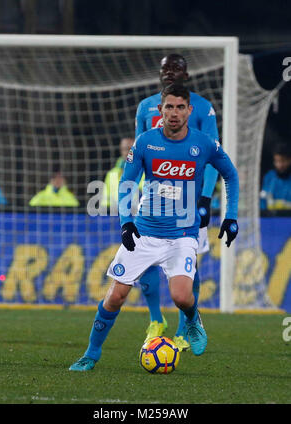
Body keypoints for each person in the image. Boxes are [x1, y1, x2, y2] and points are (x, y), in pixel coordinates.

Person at [69, 84, 239, 371]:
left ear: (189, 110)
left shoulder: (204, 144)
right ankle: (91, 354)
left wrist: (230, 216)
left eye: (180, 107)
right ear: (160, 110)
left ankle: (192, 318)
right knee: (114, 297)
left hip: (182, 234)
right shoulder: (146, 142)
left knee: (182, 296)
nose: (174, 113)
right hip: (145, 233)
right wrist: (126, 222)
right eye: (168, 107)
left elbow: (230, 176)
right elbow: (126, 184)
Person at [135, 53, 219, 352]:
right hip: (154, 200)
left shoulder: (202, 108)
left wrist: (206, 197)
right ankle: (156, 319)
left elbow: (211, 157)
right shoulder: (146, 107)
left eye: (176, 68)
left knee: (188, 264)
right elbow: (138, 152)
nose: (170, 73)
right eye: (165, 69)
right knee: (142, 259)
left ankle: (185, 328)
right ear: (159, 74)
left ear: (186, 74)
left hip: (189, 199)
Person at [100, 137, 135, 212]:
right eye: (124, 149)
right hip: (115, 216)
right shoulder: (112, 174)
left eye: (129, 149)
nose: (126, 153)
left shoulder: (147, 170)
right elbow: (106, 202)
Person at [260, 143, 291, 210]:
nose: (280, 165)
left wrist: (286, 205)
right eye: (277, 161)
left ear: (289, 160)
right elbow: (263, 202)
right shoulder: (269, 176)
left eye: (283, 161)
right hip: (271, 218)